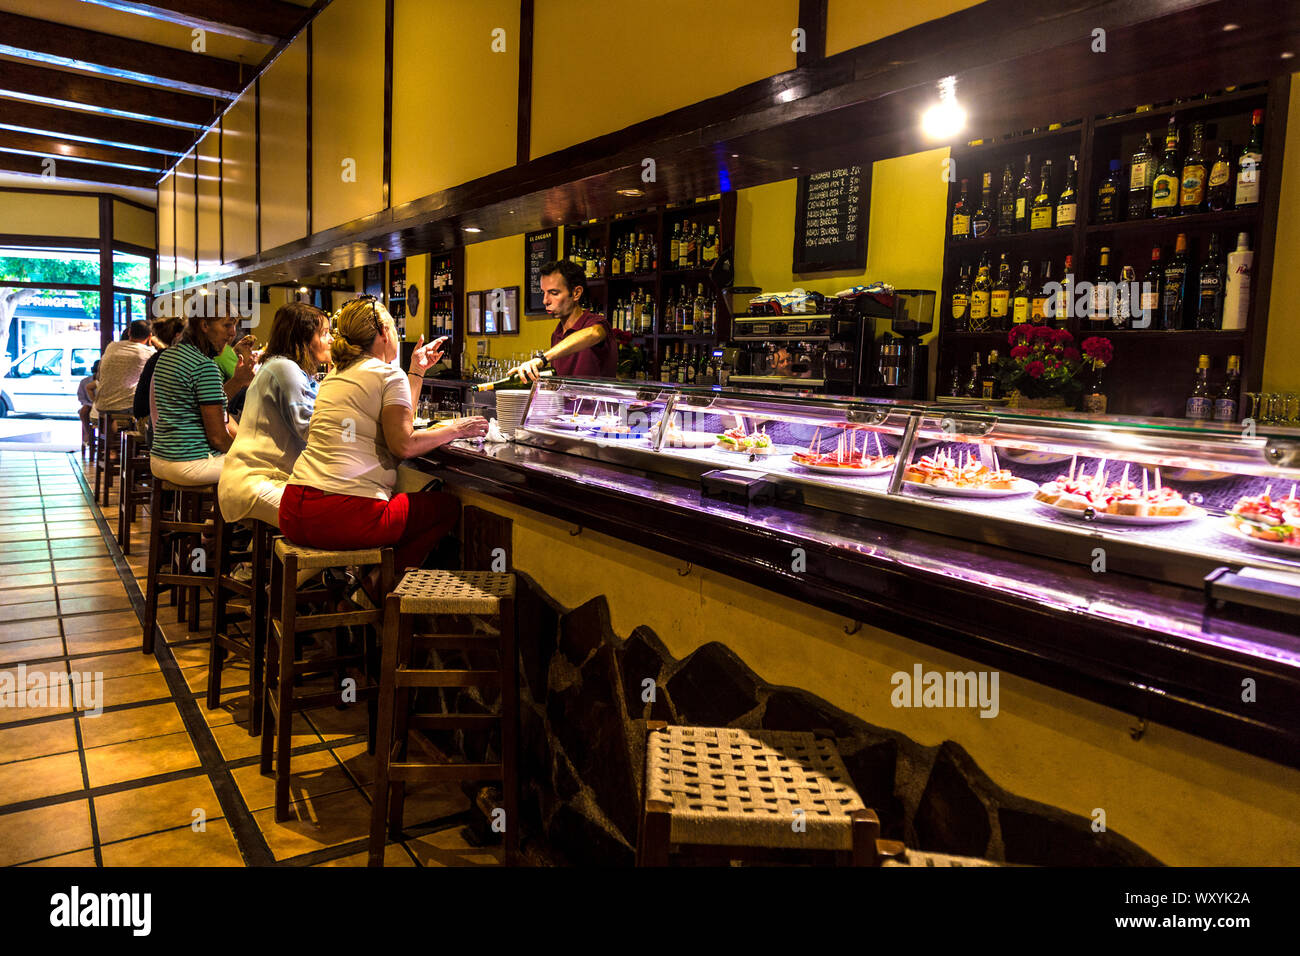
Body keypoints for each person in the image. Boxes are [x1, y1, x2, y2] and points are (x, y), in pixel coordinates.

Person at [279, 296, 489, 576]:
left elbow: (403, 420)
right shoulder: (388, 374)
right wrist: (457, 429)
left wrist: (417, 371)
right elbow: (403, 444)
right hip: (340, 515)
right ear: (383, 332)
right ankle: (378, 589)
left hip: (293, 510)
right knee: (445, 507)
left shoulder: (335, 374)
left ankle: (356, 585)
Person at [218, 302, 329, 527]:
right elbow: (311, 429)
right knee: (332, 519)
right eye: (325, 333)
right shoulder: (284, 368)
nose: (331, 340)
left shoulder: (289, 369)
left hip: (274, 478)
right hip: (256, 482)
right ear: (304, 338)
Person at [149, 313, 240, 486]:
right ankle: (223, 513)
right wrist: (245, 452)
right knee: (262, 467)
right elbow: (218, 438)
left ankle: (215, 511)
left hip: (159, 459)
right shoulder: (205, 366)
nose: (233, 333)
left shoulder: (167, 356)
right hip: (191, 463)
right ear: (205, 325)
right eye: (227, 325)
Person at [509, 259, 616, 383]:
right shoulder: (557, 334)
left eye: (554, 293)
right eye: (544, 293)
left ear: (576, 293)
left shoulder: (596, 323)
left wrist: (542, 359)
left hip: (594, 402)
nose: (545, 301)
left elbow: (594, 333)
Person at [93, 319, 154, 417]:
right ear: (150, 336)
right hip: (129, 407)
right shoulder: (149, 353)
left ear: (129, 332)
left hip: (102, 405)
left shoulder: (111, 347)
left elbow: (98, 376)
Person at [134, 317, 183, 421]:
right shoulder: (170, 358)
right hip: (150, 419)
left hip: (145, 415)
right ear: (178, 336)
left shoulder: (160, 355)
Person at [77, 361, 99, 452]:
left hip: (101, 406)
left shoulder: (106, 383)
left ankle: (95, 438)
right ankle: (88, 434)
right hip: (89, 405)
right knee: (84, 410)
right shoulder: (85, 382)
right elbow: (81, 398)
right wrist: (92, 404)